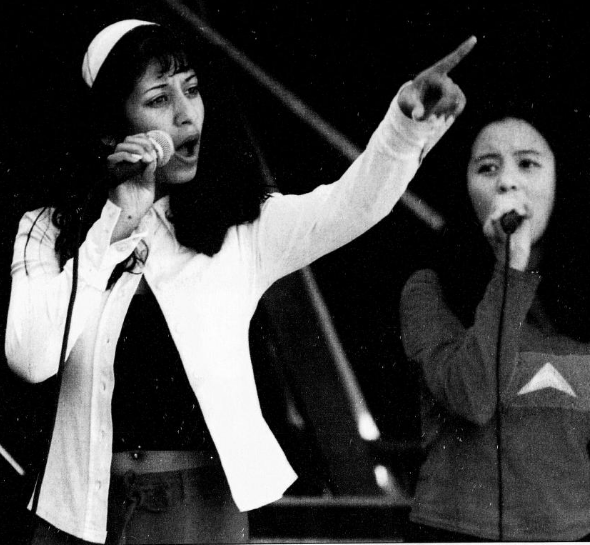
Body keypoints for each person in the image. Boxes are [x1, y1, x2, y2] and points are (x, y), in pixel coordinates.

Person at [4, 17, 475, 545]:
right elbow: (31, 357)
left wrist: (405, 128)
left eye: (192, 90)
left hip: (198, 509)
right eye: (159, 99)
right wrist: (116, 223)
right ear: (111, 129)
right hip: (74, 513)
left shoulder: (241, 226)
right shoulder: (47, 230)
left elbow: (353, 204)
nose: (186, 114)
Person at [399, 105, 590, 541]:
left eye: (528, 164)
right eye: (487, 168)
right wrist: (510, 270)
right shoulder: (429, 290)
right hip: (456, 532)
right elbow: (473, 398)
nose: (507, 182)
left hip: (573, 533)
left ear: (561, 180)